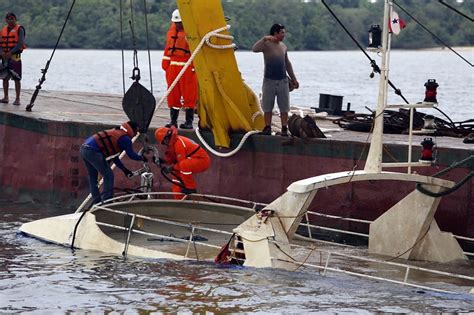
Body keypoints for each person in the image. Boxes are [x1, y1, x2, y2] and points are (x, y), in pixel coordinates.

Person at [80, 121, 146, 205]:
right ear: (132, 129)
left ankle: (96, 202)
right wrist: (143, 158)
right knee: (108, 175)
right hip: (93, 151)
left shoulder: (116, 133)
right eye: (136, 131)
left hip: (84, 149)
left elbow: (115, 157)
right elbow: (132, 155)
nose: (136, 133)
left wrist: (125, 170)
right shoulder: (125, 139)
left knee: (93, 178)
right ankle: (107, 201)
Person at [252, 23, 299, 136]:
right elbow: (254, 49)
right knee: (268, 106)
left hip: (283, 81)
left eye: (284, 32)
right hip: (269, 80)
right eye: (282, 32)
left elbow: (287, 63)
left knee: (284, 106)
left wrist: (294, 79)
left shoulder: (283, 46)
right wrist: (264, 39)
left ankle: (284, 128)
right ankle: (267, 127)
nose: (284, 35)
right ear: (275, 33)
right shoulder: (266, 44)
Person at [162, 9, 197, 130]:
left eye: (179, 22)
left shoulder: (191, 34)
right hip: (173, 67)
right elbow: (167, 49)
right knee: (172, 94)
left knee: (189, 94)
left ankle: (189, 121)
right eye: (176, 22)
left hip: (187, 67)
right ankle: (173, 121)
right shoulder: (171, 33)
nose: (177, 24)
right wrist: (165, 64)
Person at [154, 126, 210, 199]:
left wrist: (171, 168)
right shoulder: (173, 143)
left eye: (163, 142)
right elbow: (175, 160)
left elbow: (181, 163)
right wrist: (163, 161)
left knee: (184, 165)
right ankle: (178, 199)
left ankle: (191, 188)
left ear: (166, 139)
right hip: (190, 159)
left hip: (202, 160)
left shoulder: (179, 143)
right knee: (176, 177)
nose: (164, 144)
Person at [0, 12, 26, 106]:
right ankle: (6, 97)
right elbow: (0, 43)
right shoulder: (3, 30)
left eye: (12, 18)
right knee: (4, 78)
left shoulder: (20, 29)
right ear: (6, 20)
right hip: (5, 58)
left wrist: (11, 52)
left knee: (16, 78)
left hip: (15, 58)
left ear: (15, 19)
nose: (10, 20)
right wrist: (2, 52)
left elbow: (20, 43)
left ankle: (17, 99)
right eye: (8, 19)